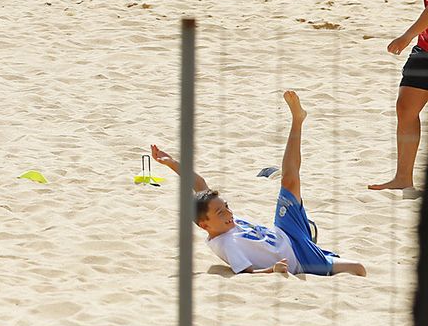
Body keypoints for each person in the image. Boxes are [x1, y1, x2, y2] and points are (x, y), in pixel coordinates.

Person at [151, 91, 366, 277]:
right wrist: (273, 270)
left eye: (226, 207)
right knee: (358, 268)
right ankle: (313, 240)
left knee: (290, 179)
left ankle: (297, 120)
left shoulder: (218, 219)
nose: (228, 213)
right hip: (301, 259)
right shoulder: (226, 244)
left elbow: (199, 184)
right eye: (220, 213)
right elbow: (248, 272)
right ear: (204, 225)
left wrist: (171, 164)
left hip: (285, 230)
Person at [370, 0, 428, 189]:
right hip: (427, 45)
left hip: (420, 39)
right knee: (406, 107)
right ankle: (403, 179)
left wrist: (406, 35)